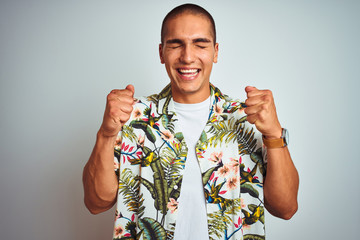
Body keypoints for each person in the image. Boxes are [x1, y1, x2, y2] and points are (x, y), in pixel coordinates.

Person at [83, 3, 299, 240]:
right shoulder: (132, 117)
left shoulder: (249, 119)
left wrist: (274, 134)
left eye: (200, 44)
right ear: (161, 52)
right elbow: (96, 203)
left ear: (216, 52)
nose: (187, 57)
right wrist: (106, 134)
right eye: (176, 44)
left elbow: (286, 209)